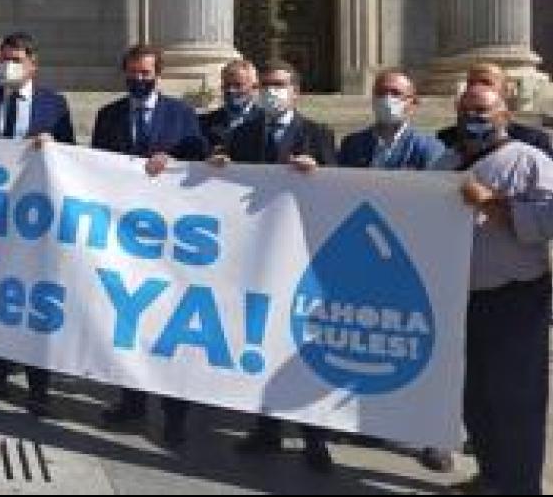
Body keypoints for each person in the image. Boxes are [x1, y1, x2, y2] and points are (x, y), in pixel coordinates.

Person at [211, 59, 337, 473]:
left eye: (279, 85)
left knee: (303, 348)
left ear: (296, 92)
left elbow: (340, 189)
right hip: (258, 257)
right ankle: (266, 427)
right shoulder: (243, 134)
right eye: (265, 85)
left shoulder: (318, 134)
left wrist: (318, 174)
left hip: (303, 258)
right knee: (263, 341)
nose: (271, 91)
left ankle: (315, 437)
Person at [92, 44, 207, 448]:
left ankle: (175, 415)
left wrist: (170, 159)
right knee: (128, 322)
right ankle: (131, 401)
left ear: (159, 73)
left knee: (168, 326)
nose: (139, 80)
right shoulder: (108, 116)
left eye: (146, 73)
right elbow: (97, 168)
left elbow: (199, 161)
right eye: (133, 73)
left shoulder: (182, 114)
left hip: (172, 240)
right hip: (124, 238)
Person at [440, 85, 553, 495]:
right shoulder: (446, 162)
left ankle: (520, 487)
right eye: (466, 110)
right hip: (462, 299)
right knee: (477, 397)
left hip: (515, 298)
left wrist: (494, 205)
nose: (474, 118)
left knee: (515, 399)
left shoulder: (529, 160)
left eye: (483, 110)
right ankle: (492, 476)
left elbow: (548, 218)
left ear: (504, 115)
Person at [337, 69, 451, 471]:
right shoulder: (353, 144)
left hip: (416, 264)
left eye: (396, 93)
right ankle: (373, 420)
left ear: (413, 102)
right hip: (365, 262)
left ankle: (433, 436)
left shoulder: (430, 149)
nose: (388, 99)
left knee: (425, 350)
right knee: (371, 343)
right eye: (382, 92)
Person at [0, 32, 75, 417]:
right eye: (3, 59)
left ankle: (38, 388)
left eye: (14, 60)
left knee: (32, 301)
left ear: (33, 64)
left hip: (34, 222)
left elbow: (71, 160)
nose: (5, 66)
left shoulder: (54, 105)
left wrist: (53, 146)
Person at [436, 63, 551, 155]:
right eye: (471, 83)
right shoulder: (446, 138)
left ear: (505, 91)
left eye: (486, 82)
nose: (477, 87)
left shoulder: (533, 140)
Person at [198, 58, 262, 153]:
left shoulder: (265, 121)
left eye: (238, 85)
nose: (231, 90)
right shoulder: (205, 123)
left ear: (254, 87)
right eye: (227, 85)